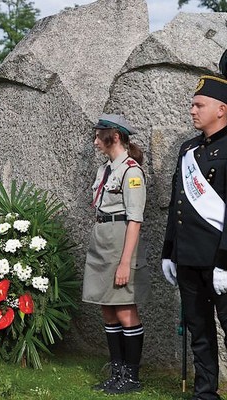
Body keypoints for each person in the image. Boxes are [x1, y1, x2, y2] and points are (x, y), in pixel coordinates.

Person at [162, 52, 227, 400]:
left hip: (219, 260)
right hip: (188, 258)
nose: (192, 110)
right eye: (192, 104)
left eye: (199, 104)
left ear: (221, 109)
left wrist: (225, 262)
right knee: (198, 330)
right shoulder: (188, 150)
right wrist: (168, 252)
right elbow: (178, 206)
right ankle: (206, 393)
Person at [82, 114, 149, 394]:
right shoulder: (105, 169)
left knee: (124, 309)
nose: (96, 141)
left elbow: (135, 219)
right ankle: (117, 371)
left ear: (116, 137)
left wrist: (125, 263)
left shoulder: (131, 172)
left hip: (121, 241)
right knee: (107, 308)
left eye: (100, 136)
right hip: (102, 240)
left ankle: (131, 377)